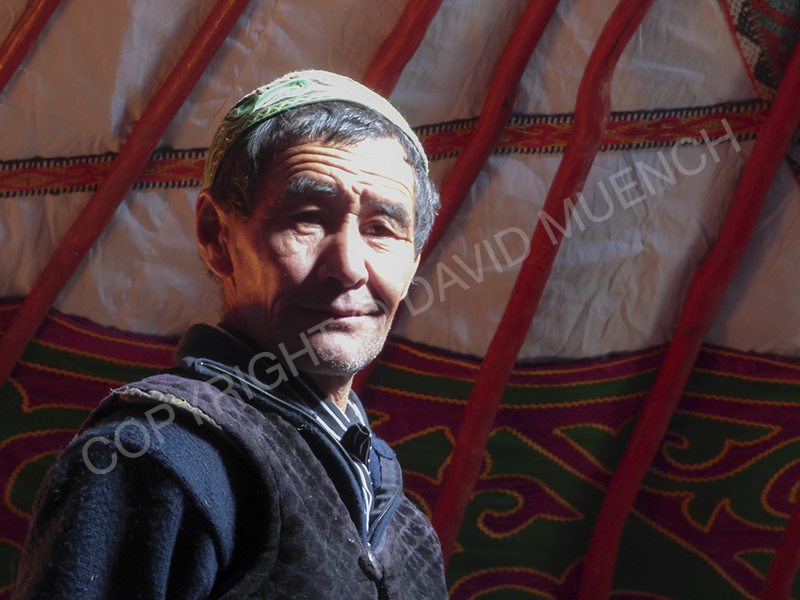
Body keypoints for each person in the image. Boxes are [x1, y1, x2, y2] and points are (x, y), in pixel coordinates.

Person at [13, 70, 448, 599]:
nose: (349, 267)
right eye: (308, 218)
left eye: (381, 230)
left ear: (413, 261)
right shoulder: (156, 456)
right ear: (216, 235)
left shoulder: (406, 528)